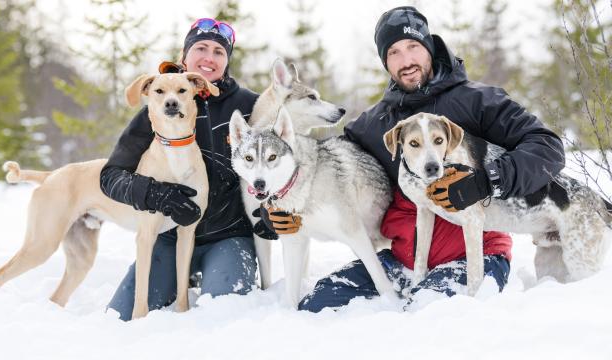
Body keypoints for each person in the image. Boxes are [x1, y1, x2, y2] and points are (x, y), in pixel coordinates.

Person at [295, 6, 565, 312]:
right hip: (404, 261)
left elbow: (547, 147)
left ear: (429, 47)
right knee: (319, 305)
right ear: (385, 61)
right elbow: (325, 166)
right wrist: (278, 205)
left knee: (426, 316)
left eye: (413, 47)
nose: (406, 61)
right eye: (394, 52)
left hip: (475, 256)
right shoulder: (376, 124)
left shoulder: (478, 101)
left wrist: (486, 180)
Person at [100, 18, 259, 321]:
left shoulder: (249, 105)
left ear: (227, 61)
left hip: (227, 236)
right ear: (185, 55)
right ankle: (174, 277)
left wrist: (268, 212)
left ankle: (209, 274)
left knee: (223, 315)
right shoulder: (158, 104)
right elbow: (111, 177)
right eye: (201, 48)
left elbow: (278, 162)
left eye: (218, 52)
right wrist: (155, 194)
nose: (209, 58)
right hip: (168, 238)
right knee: (119, 319)